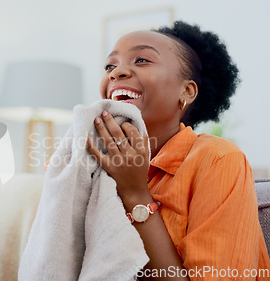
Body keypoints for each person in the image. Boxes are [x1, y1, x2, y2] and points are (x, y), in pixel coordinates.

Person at [86, 21, 270, 280]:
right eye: (110, 66)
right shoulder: (89, 161)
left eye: (141, 60)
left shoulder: (218, 159)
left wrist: (135, 193)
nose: (117, 73)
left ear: (187, 90)